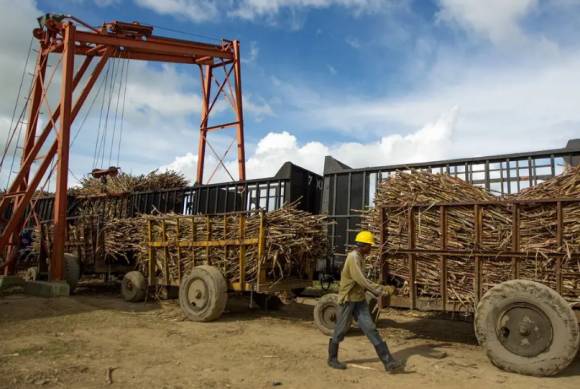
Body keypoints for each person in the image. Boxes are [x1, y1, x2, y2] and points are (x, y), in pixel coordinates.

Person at [327, 230, 403, 372]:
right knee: (340, 330)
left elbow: (364, 283)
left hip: (359, 300)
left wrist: (379, 288)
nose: (371, 248)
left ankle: (388, 362)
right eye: (370, 246)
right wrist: (383, 290)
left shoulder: (361, 257)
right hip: (348, 300)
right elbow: (363, 281)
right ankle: (332, 359)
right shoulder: (353, 258)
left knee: (371, 329)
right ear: (363, 245)